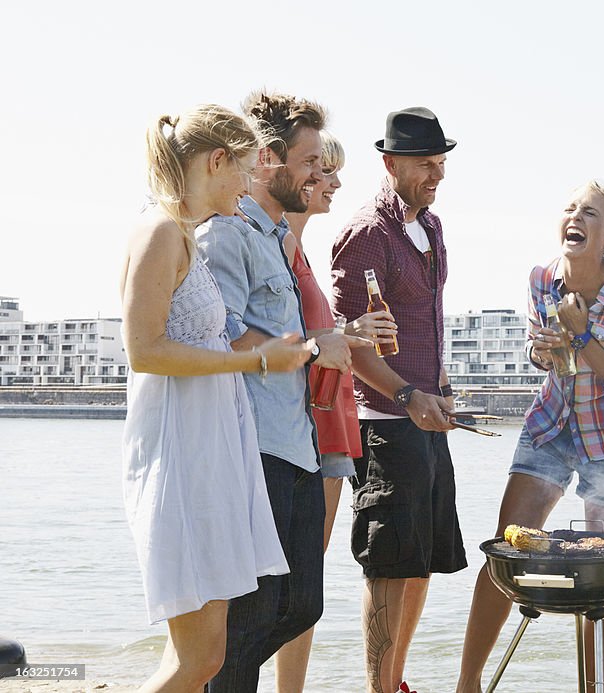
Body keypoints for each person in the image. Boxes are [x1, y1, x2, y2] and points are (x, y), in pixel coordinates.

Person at [121, 104, 313, 692]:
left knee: (204, 654)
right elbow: (144, 350)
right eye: (248, 169)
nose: (251, 184)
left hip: (209, 458)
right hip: (179, 458)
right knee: (197, 659)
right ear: (217, 161)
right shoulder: (159, 231)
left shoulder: (183, 235)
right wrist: (255, 359)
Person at [456, 181, 604, 693]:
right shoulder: (542, 277)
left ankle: (596, 690)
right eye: (570, 208)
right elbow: (538, 353)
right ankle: (467, 683)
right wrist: (543, 352)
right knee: (506, 550)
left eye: (589, 211)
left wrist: (582, 334)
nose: (576, 216)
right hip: (551, 424)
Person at [196, 91, 353, 692]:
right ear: (267, 158)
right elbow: (222, 339)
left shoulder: (274, 242)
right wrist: (316, 347)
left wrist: (328, 341)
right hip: (255, 450)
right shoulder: (227, 236)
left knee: (300, 607)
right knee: (253, 618)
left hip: (298, 450)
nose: (320, 174)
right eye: (311, 161)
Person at [330, 106, 465, 693]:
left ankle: (397, 682)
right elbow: (349, 341)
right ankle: (378, 689)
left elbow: (422, 323)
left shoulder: (430, 227)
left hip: (423, 416)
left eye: (439, 163)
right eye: (422, 165)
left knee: (422, 561)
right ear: (389, 164)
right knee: (388, 565)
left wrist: (439, 392)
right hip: (383, 420)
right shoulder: (366, 232)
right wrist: (408, 394)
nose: (435, 174)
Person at [274, 131, 391, 692]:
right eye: (323, 170)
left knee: (302, 586)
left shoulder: (298, 254)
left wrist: (348, 335)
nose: (335, 182)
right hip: (311, 428)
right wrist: (347, 333)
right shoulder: (279, 251)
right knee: (294, 585)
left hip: (330, 427)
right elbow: (284, 341)